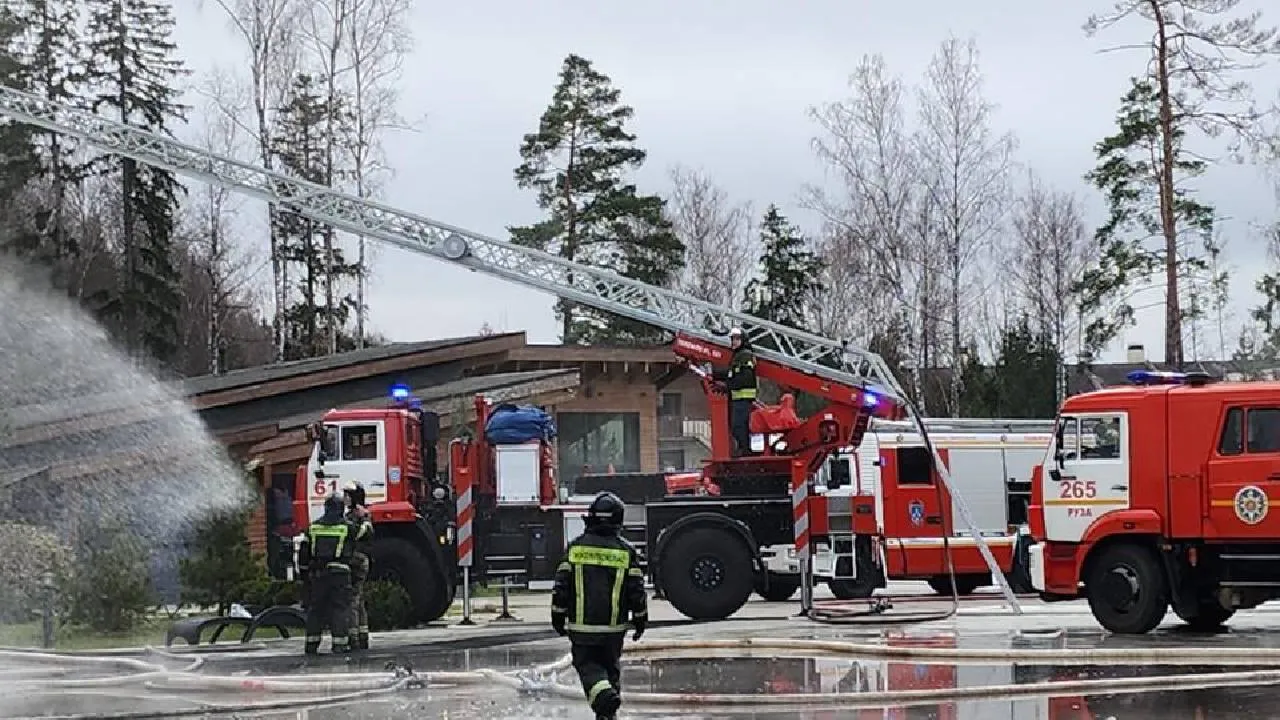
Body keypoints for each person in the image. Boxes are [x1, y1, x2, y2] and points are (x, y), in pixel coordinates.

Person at [551, 492, 647, 720]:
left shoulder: (575, 549)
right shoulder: (626, 551)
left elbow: (561, 587)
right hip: (614, 630)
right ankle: (608, 711)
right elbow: (637, 590)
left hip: (583, 630)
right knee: (610, 670)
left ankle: (605, 699)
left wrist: (557, 615)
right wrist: (641, 618)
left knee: (589, 668)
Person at [298, 495, 356, 655]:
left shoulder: (313, 527)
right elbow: (362, 536)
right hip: (340, 574)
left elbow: (304, 553)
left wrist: (304, 575)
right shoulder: (347, 527)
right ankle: (340, 645)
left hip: (318, 574)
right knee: (339, 608)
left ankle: (311, 645)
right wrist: (365, 519)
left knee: (315, 609)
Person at [713, 326, 758, 457]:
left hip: (743, 398)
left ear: (743, 340)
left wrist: (728, 386)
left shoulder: (745, 355)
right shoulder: (738, 355)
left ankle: (745, 451)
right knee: (737, 427)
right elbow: (731, 374)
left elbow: (744, 378)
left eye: (737, 339)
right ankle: (743, 449)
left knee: (738, 427)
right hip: (738, 398)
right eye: (732, 339)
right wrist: (716, 375)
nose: (734, 342)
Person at [343, 481, 374, 651]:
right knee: (359, 600)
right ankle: (363, 637)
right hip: (360, 561)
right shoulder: (357, 514)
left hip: (357, 561)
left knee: (352, 601)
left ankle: (353, 638)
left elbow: (361, 534)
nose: (345, 498)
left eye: (348, 495)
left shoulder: (360, 515)